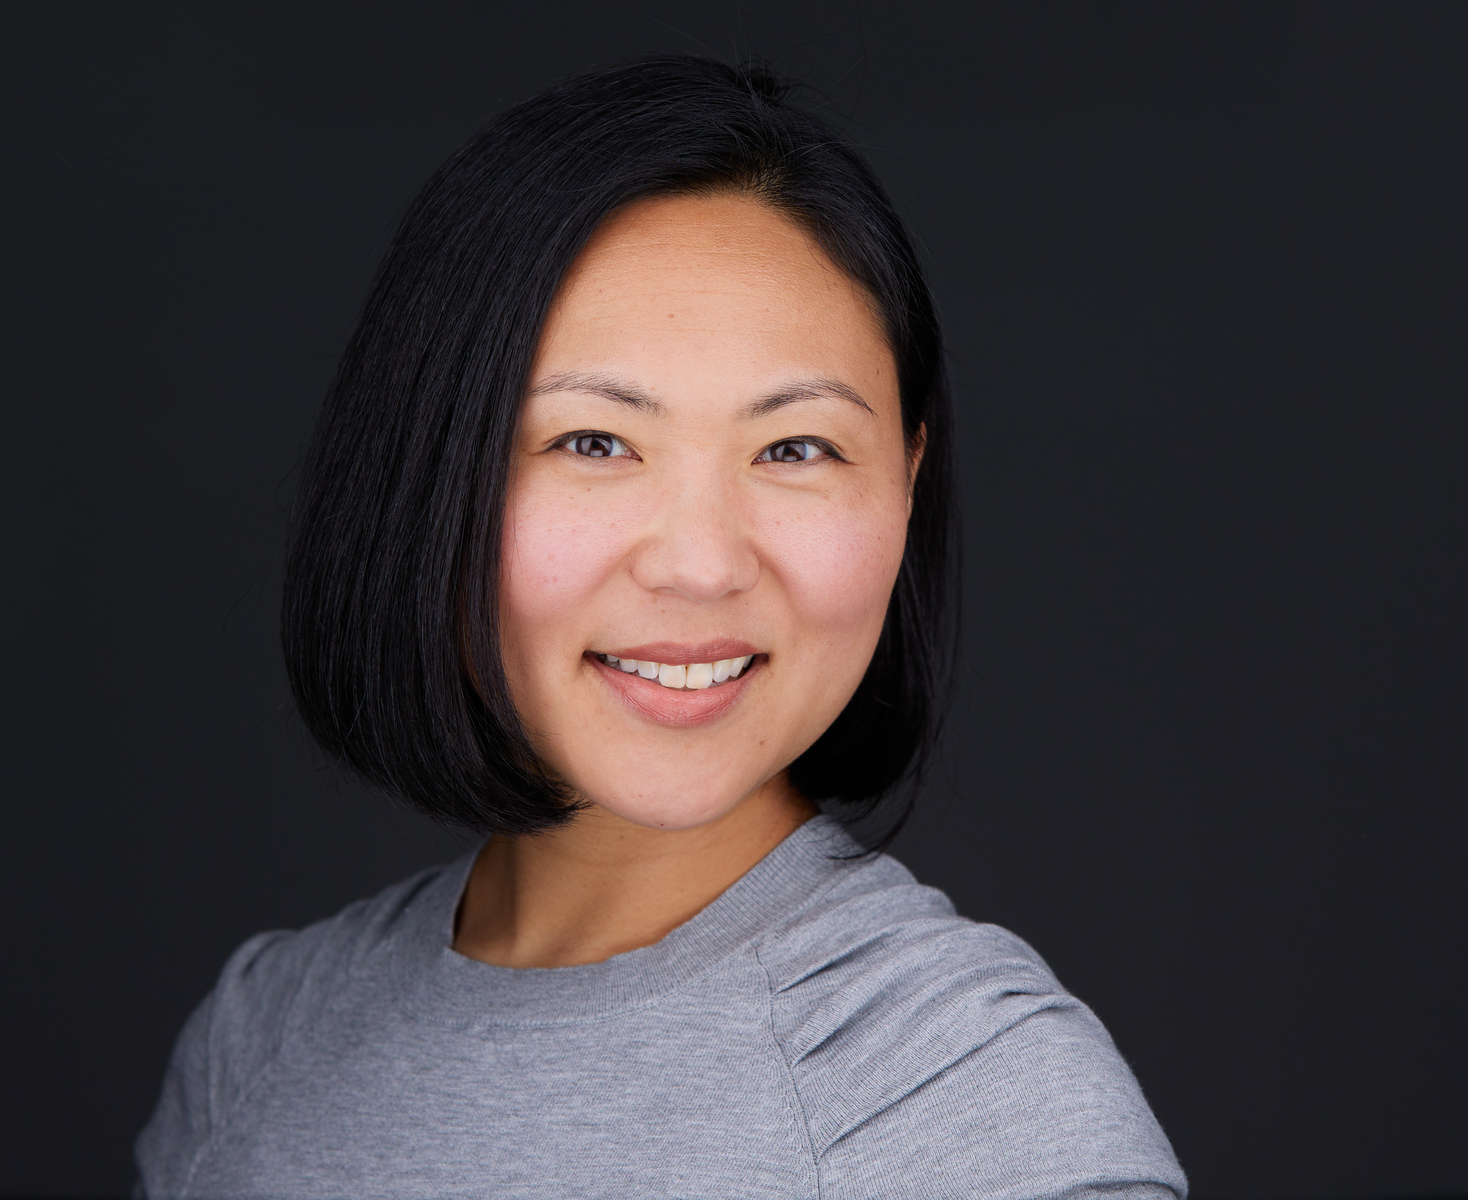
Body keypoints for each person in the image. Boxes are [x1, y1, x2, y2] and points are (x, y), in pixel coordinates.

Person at [136, 55, 1186, 1199]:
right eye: (593, 442)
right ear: (428, 472)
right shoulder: (259, 1037)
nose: (700, 565)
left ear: (906, 481)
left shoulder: (970, 1099)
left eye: (796, 448)